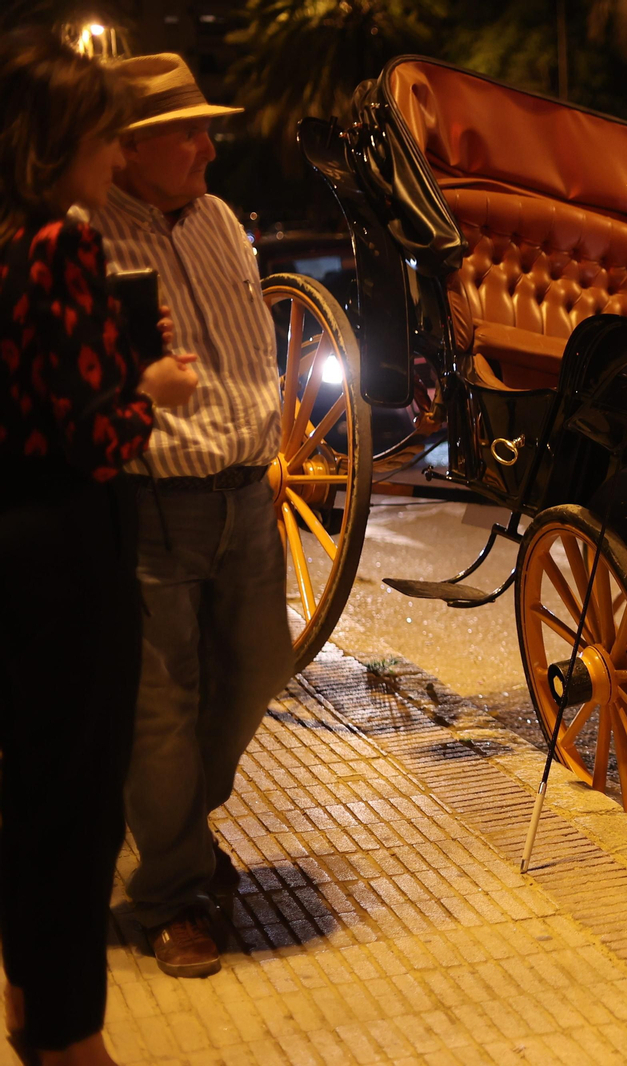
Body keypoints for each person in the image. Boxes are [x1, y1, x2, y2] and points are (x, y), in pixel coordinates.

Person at [0, 29, 198, 1066]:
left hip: (11, 539)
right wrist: (152, 392)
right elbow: (92, 431)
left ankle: (29, 1003)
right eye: (105, 138)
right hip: (72, 552)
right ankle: (73, 1040)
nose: (117, 159)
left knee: (23, 789)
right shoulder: (62, 244)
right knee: (77, 802)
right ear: (58, 141)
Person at [92, 53, 291, 980]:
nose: (209, 148)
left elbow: (253, 346)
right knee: (159, 709)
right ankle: (174, 893)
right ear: (127, 148)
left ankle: (172, 828)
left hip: (248, 494)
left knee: (257, 666)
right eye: (187, 132)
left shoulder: (215, 219)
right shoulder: (85, 237)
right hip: (151, 506)